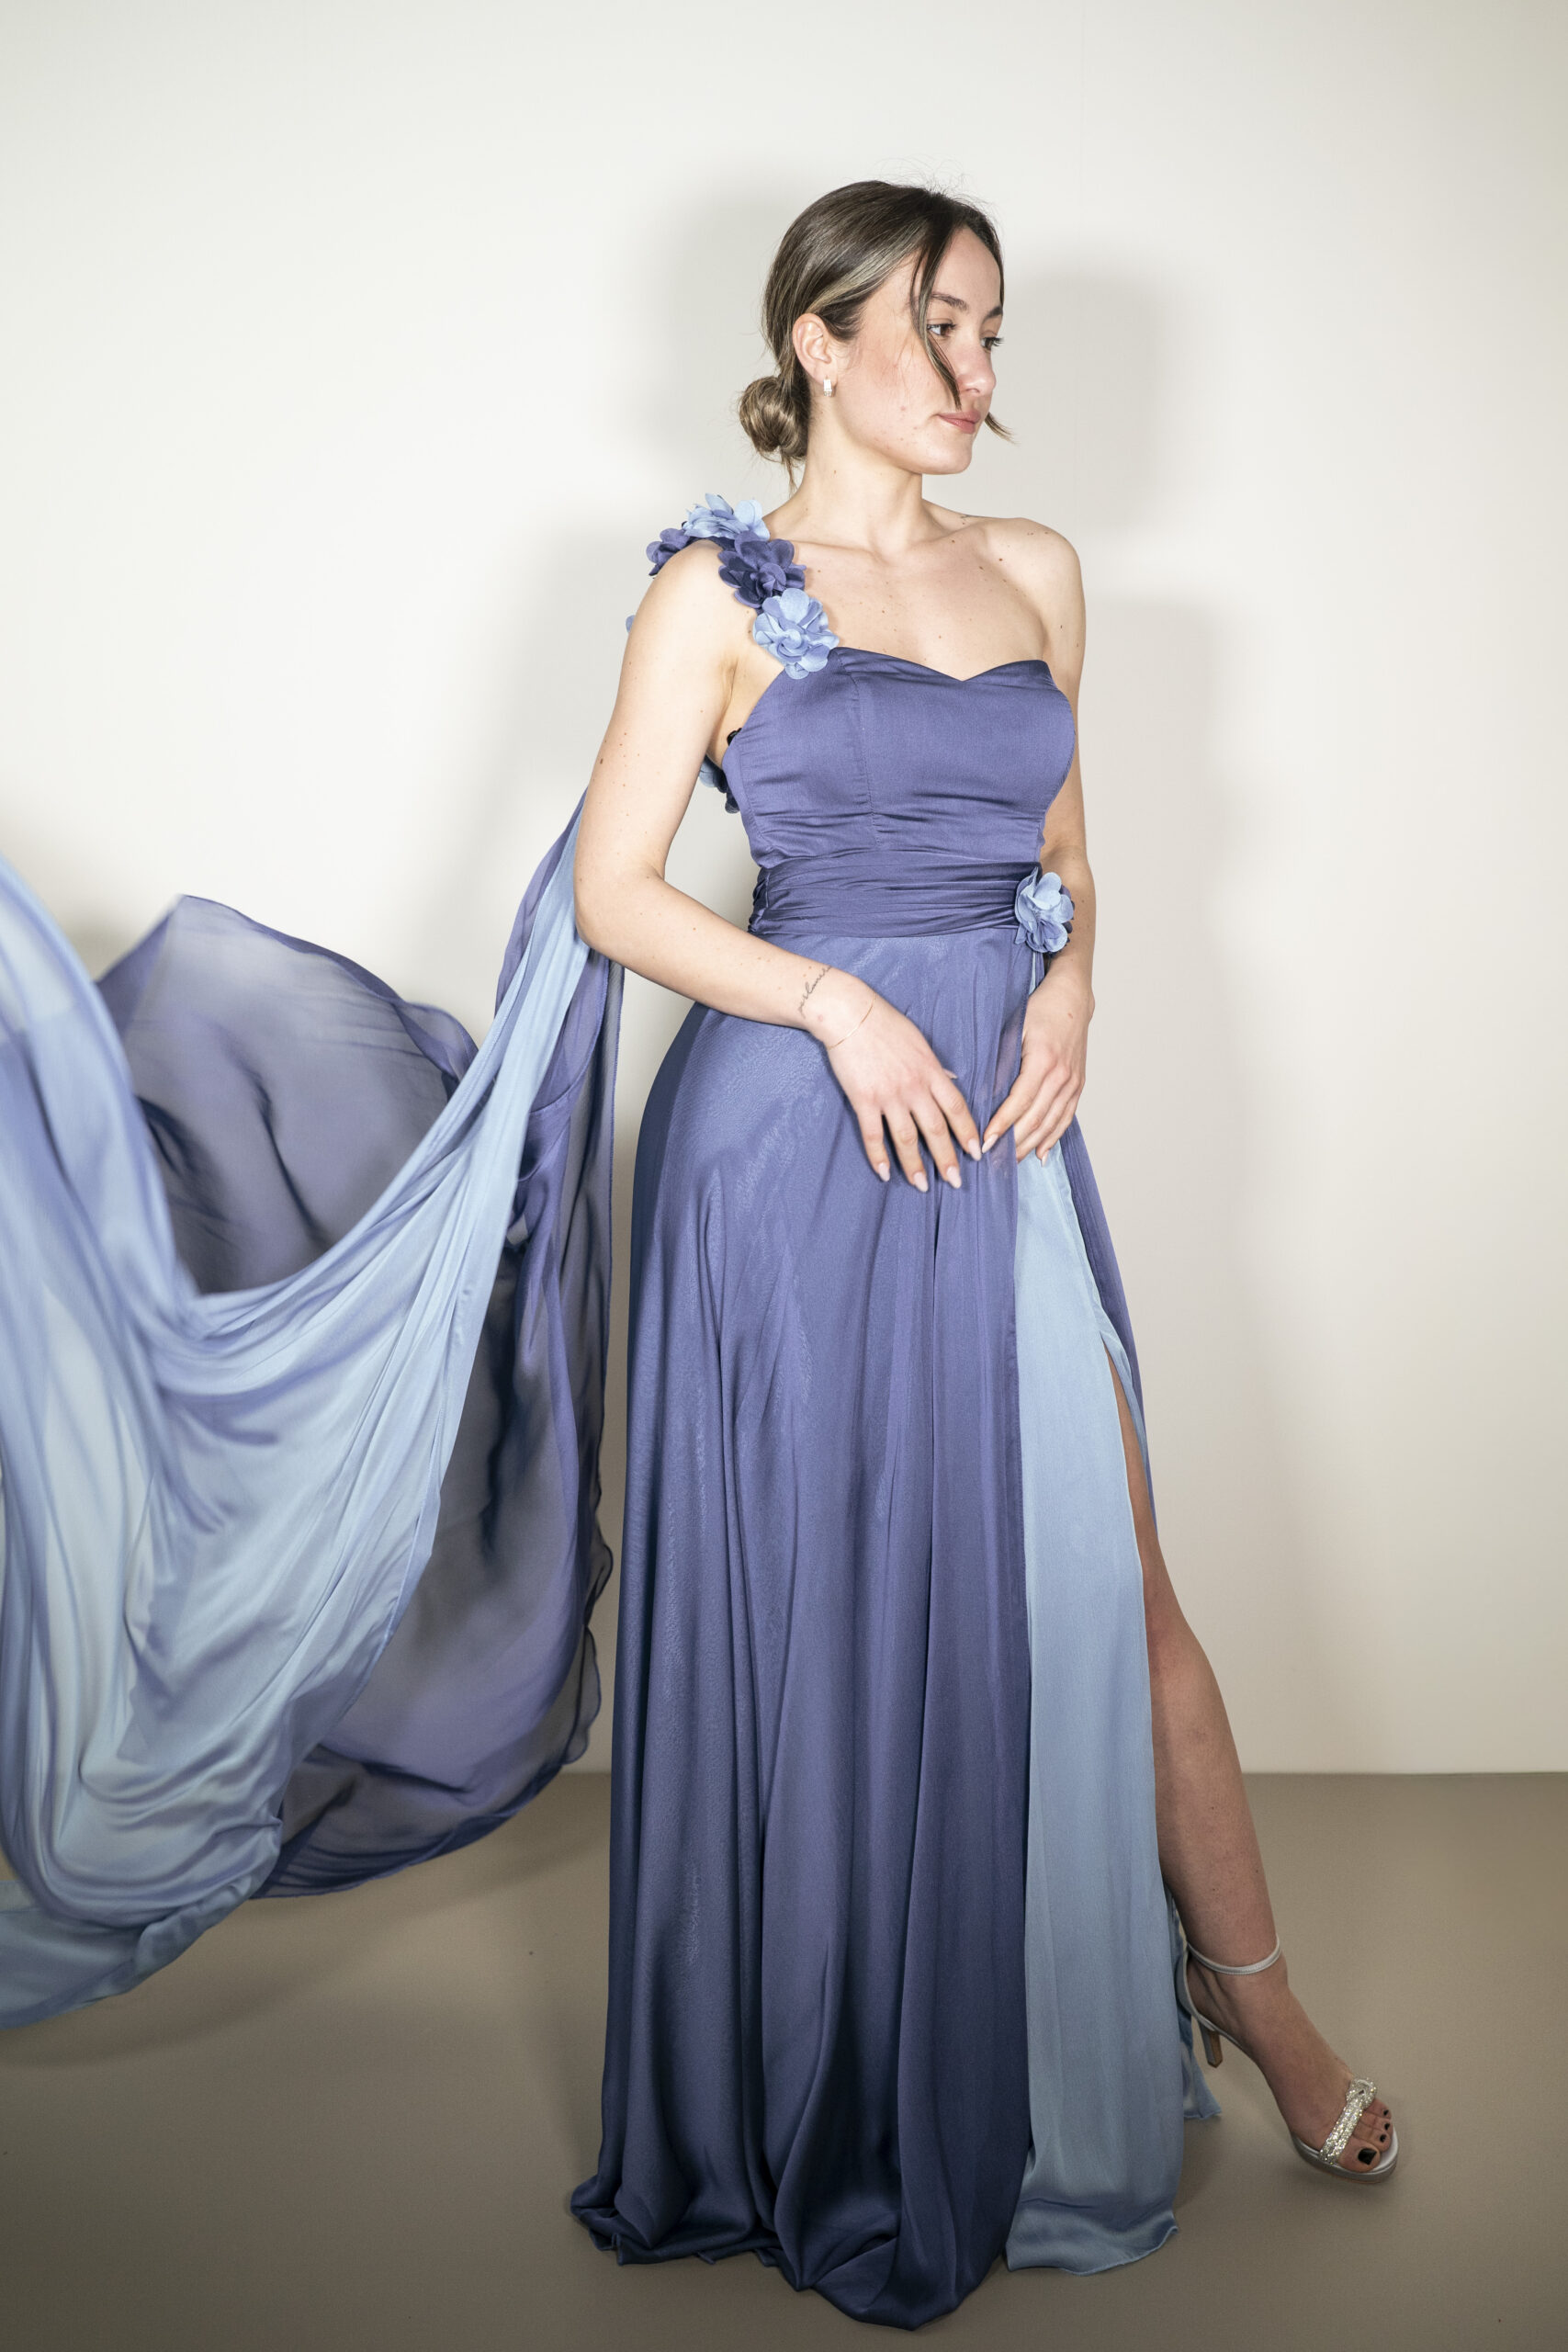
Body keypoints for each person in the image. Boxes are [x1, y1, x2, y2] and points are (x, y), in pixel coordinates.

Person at [565, 182, 1395, 2327]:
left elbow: (1066, 855)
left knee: (1110, 1591)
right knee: (834, 1610)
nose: (974, 370)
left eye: (992, 333)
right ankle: (845, 2070)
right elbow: (613, 893)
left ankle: (1261, 2009)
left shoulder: (1033, 569)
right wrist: (832, 1002)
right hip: (792, 1138)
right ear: (817, 339)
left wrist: (1075, 980)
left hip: (999, 1125)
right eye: (937, 325)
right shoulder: (713, 590)